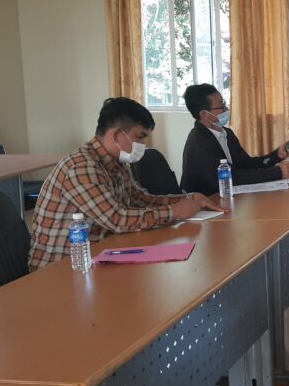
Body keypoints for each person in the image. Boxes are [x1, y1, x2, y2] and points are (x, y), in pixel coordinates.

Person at [29, 97, 220, 271]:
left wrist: (188, 199)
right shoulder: (82, 167)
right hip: (61, 268)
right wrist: (174, 212)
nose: (142, 145)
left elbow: (140, 199)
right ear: (117, 135)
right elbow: (117, 219)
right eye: (139, 137)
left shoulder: (116, 162)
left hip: (99, 255)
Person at [180, 83, 289, 196]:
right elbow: (231, 178)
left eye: (224, 103)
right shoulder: (198, 142)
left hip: (228, 197)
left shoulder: (227, 134)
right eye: (221, 106)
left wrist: (276, 155)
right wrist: (277, 173)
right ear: (204, 114)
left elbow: (246, 164)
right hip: (206, 203)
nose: (226, 109)